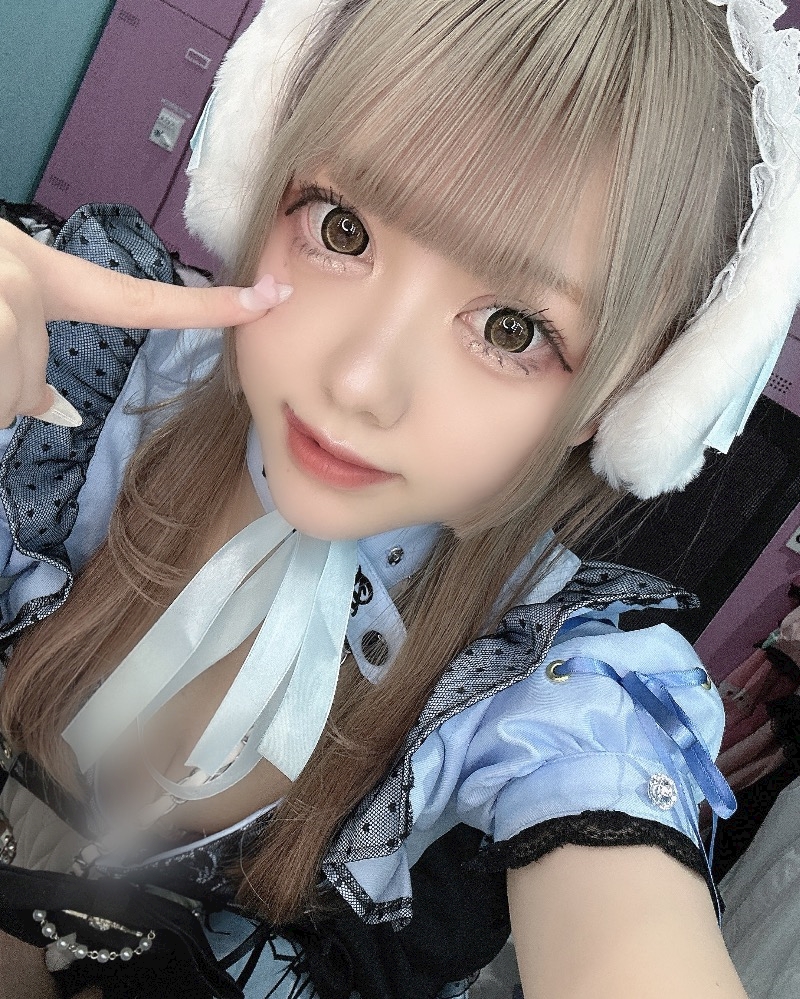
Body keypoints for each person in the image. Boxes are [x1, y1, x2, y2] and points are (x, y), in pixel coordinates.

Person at [0, 0, 797, 996]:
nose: (360, 382)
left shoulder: (550, 689)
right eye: (341, 228)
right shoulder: (82, 393)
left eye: (510, 329)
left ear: (633, 398)